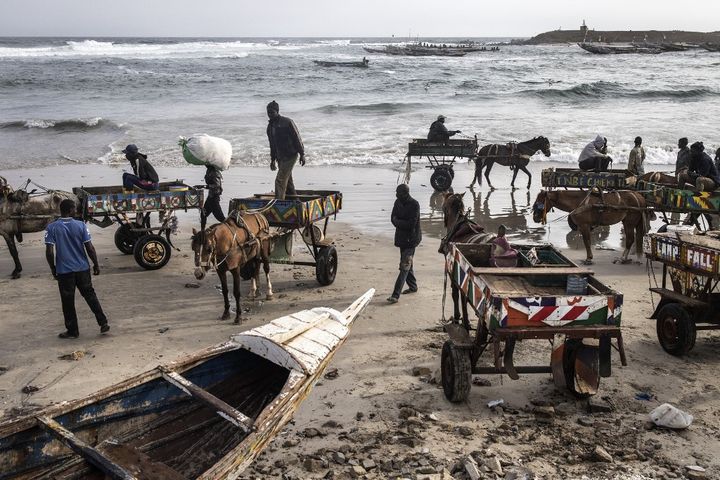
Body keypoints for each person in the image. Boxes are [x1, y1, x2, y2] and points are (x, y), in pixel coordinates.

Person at [45, 199, 109, 339]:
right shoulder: (81, 225)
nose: (76, 211)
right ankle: (102, 322)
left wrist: (53, 268)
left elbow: (49, 252)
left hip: (64, 271)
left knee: (68, 302)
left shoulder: (52, 227)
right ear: (70, 210)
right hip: (82, 269)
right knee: (90, 295)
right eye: (74, 209)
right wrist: (96, 264)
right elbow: (90, 248)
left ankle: (73, 331)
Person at [387, 184, 421, 304]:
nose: (396, 195)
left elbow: (411, 224)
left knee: (404, 266)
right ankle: (413, 286)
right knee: (408, 263)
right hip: (401, 238)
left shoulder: (415, 204)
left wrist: (398, 222)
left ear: (405, 193)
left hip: (411, 240)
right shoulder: (397, 202)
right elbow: (392, 218)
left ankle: (395, 295)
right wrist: (399, 222)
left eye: (398, 193)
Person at [266, 100, 305, 200]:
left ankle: (278, 204)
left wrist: (302, 154)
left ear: (277, 111)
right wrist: (272, 160)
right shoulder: (270, 127)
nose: (270, 115)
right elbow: (272, 145)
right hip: (280, 157)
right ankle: (297, 203)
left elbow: (297, 138)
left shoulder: (287, 122)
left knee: (280, 180)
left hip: (291, 155)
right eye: (268, 112)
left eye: (272, 112)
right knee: (288, 182)